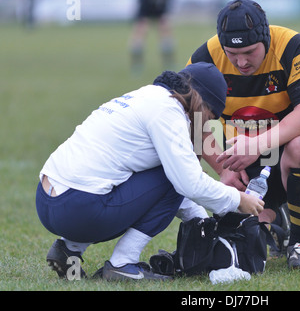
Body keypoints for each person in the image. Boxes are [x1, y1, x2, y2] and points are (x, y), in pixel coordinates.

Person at [35, 62, 264, 281]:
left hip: (48, 201)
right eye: (210, 117)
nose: (204, 125)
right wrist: (238, 199)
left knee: (169, 173)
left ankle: (69, 249)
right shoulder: (168, 112)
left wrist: (202, 222)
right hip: (77, 208)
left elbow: (170, 189)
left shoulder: (148, 95)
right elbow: (186, 183)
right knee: (174, 175)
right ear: (201, 103)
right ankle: (123, 264)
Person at [186, 0, 300, 269]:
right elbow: (195, 122)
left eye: (250, 52)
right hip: (243, 164)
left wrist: (257, 144)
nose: (241, 62)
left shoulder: (293, 46)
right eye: (232, 54)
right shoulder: (205, 57)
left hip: (293, 155)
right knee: (243, 242)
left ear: (266, 37)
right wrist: (223, 169)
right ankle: (270, 218)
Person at [129, 0, 175, 74]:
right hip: (145, 7)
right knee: (141, 31)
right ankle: (137, 64)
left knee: (165, 30)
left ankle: (169, 62)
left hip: (160, 7)